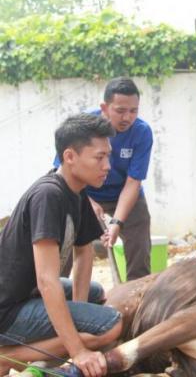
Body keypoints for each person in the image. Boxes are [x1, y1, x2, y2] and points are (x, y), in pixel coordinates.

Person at [0, 113, 122, 377]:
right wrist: (77, 349)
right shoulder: (49, 196)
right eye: (99, 157)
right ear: (70, 157)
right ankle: (7, 357)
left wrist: (78, 311)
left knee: (96, 293)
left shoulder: (76, 192)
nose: (107, 166)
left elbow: (84, 252)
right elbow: (47, 280)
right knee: (111, 326)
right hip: (7, 308)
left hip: (27, 292)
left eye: (108, 157)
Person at [56, 77, 154, 281]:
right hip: (85, 191)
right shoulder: (82, 127)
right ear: (104, 107)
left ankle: (138, 294)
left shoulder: (142, 132)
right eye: (120, 110)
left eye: (134, 111)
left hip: (124, 193)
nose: (127, 117)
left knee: (139, 239)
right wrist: (86, 201)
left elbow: (133, 182)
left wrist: (116, 222)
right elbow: (63, 171)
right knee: (64, 236)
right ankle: (57, 290)